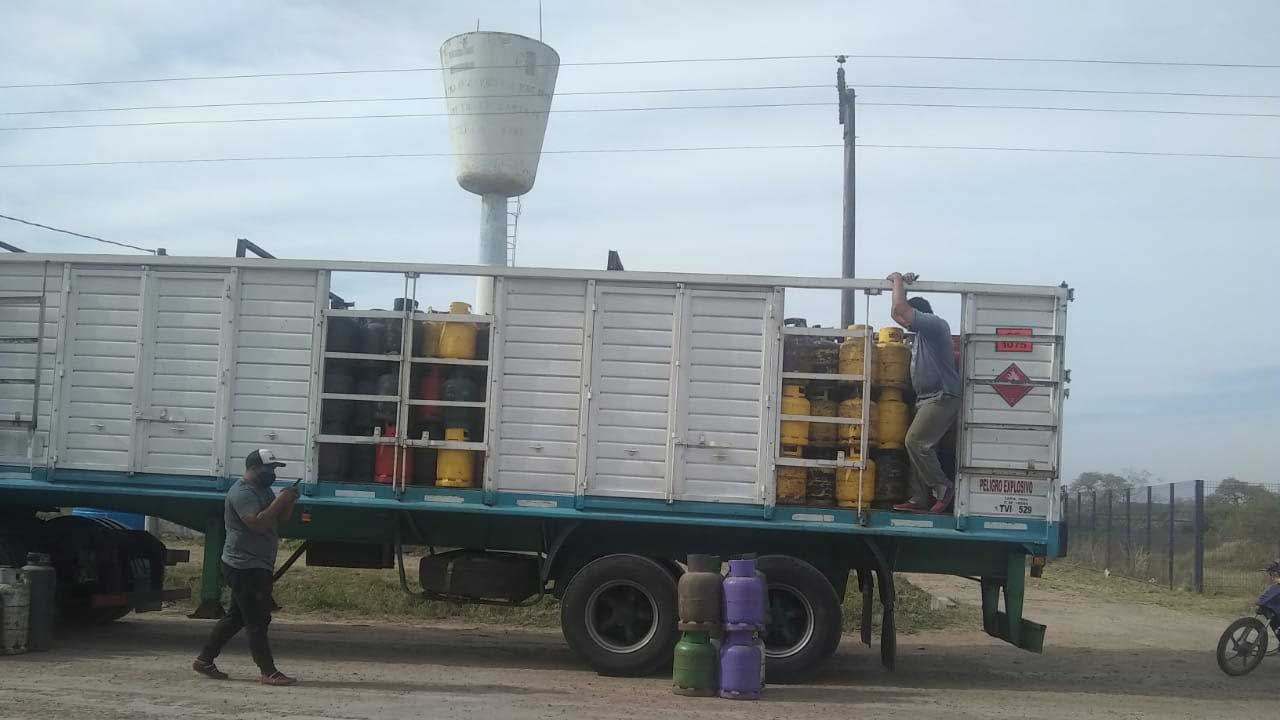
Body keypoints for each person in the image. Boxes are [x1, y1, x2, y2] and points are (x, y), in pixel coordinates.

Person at [193, 448, 299, 685]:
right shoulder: (242, 493)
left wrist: (288, 501)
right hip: (244, 566)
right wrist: (281, 500)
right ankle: (268, 671)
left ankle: (204, 660)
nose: (272, 473)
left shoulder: (262, 489)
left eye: (274, 468)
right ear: (253, 467)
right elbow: (257, 524)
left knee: (237, 617)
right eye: (269, 468)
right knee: (258, 620)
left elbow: (278, 519)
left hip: (257, 564)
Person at [885, 272, 962, 514]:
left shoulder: (935, 325)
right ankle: (919, 498)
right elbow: (897, 312)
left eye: (909, 318)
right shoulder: (921, 335)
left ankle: (943, 487)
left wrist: (897, 280)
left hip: (941, 396)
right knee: (919, 449)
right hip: (926, 399)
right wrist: (900, 287)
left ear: (919, 315)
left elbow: (900, 309)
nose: (904, 323)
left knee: (915, 441)